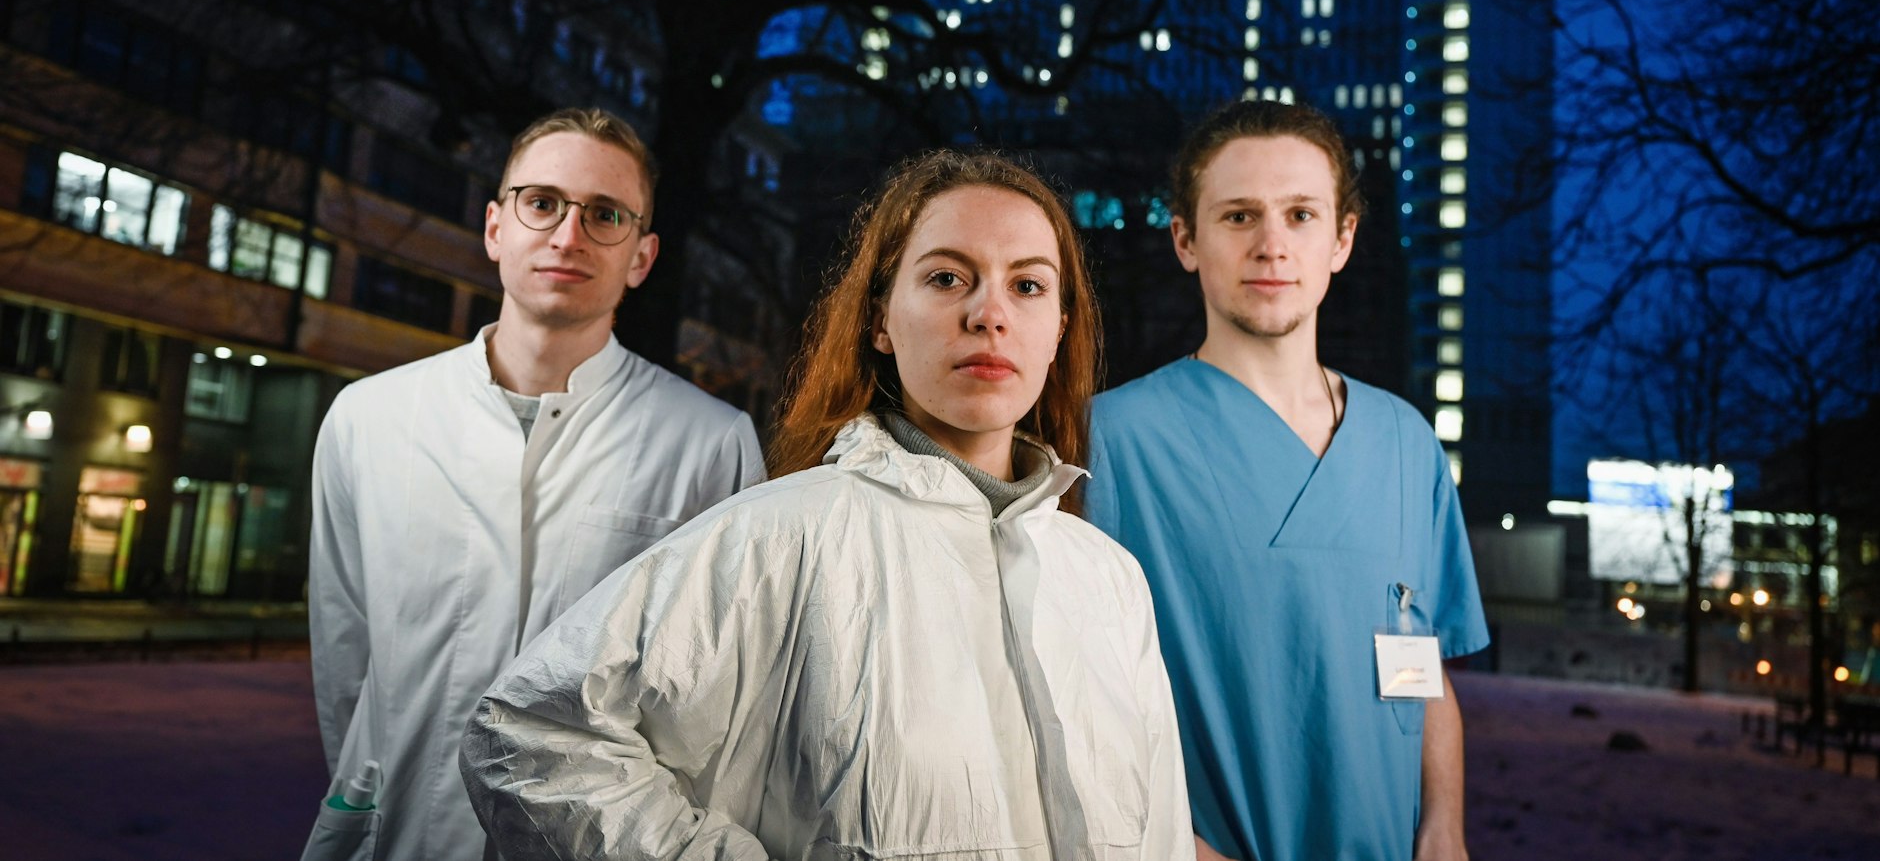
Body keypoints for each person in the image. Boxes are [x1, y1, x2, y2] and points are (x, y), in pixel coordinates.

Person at [460, 151, 1189, 860]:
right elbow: (532, 735)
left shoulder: (1109, 579)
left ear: (1059, 329)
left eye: (1027, 287)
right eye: (945, 278)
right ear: (880, 321)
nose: (988, 313)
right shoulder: (781, 538)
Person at [306, 108, 765, 860]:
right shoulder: (369, 418)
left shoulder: (709, 444)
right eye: (543, 202)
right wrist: (367, 788)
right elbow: (345, 654)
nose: (568, 235)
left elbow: (711, 708)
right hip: (401, 834)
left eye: (605, 215)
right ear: (496, 227)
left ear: (642, 256)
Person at [1085, 100, 1489, 861]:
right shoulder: (1111, 441)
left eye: (1301, 215)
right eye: (1239, 216)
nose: (1272, 244)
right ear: (1185, 240)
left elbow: (1420, 666)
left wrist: (1444, 831)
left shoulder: (1406, 443)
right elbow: (1072, 703)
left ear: (1341, 240)